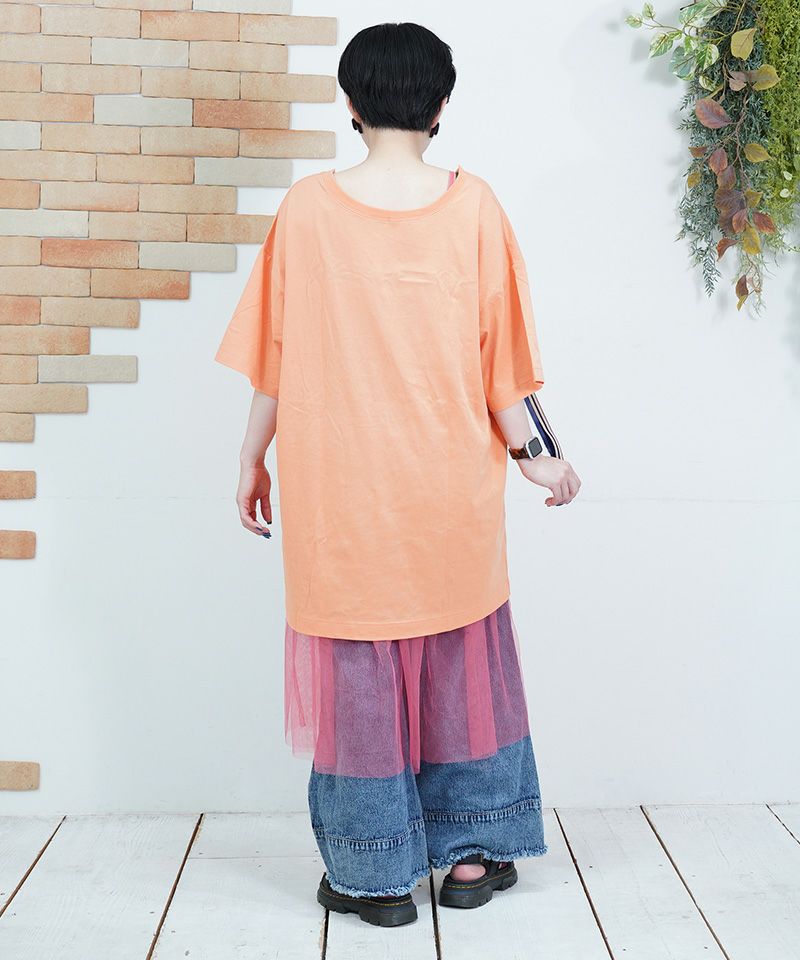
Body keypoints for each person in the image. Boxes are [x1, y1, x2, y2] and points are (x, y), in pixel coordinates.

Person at [214, 21, 580, 928]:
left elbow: (274, 358)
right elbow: (504, 369)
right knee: (462, 662)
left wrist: (252, 454)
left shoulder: (306, 209)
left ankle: (374, 877)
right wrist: (538, 458)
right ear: (441, 104)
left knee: (358, 679)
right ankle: (469, 859)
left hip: (339, 497)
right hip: (447, 492)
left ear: (349, 102)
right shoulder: (476, 207)